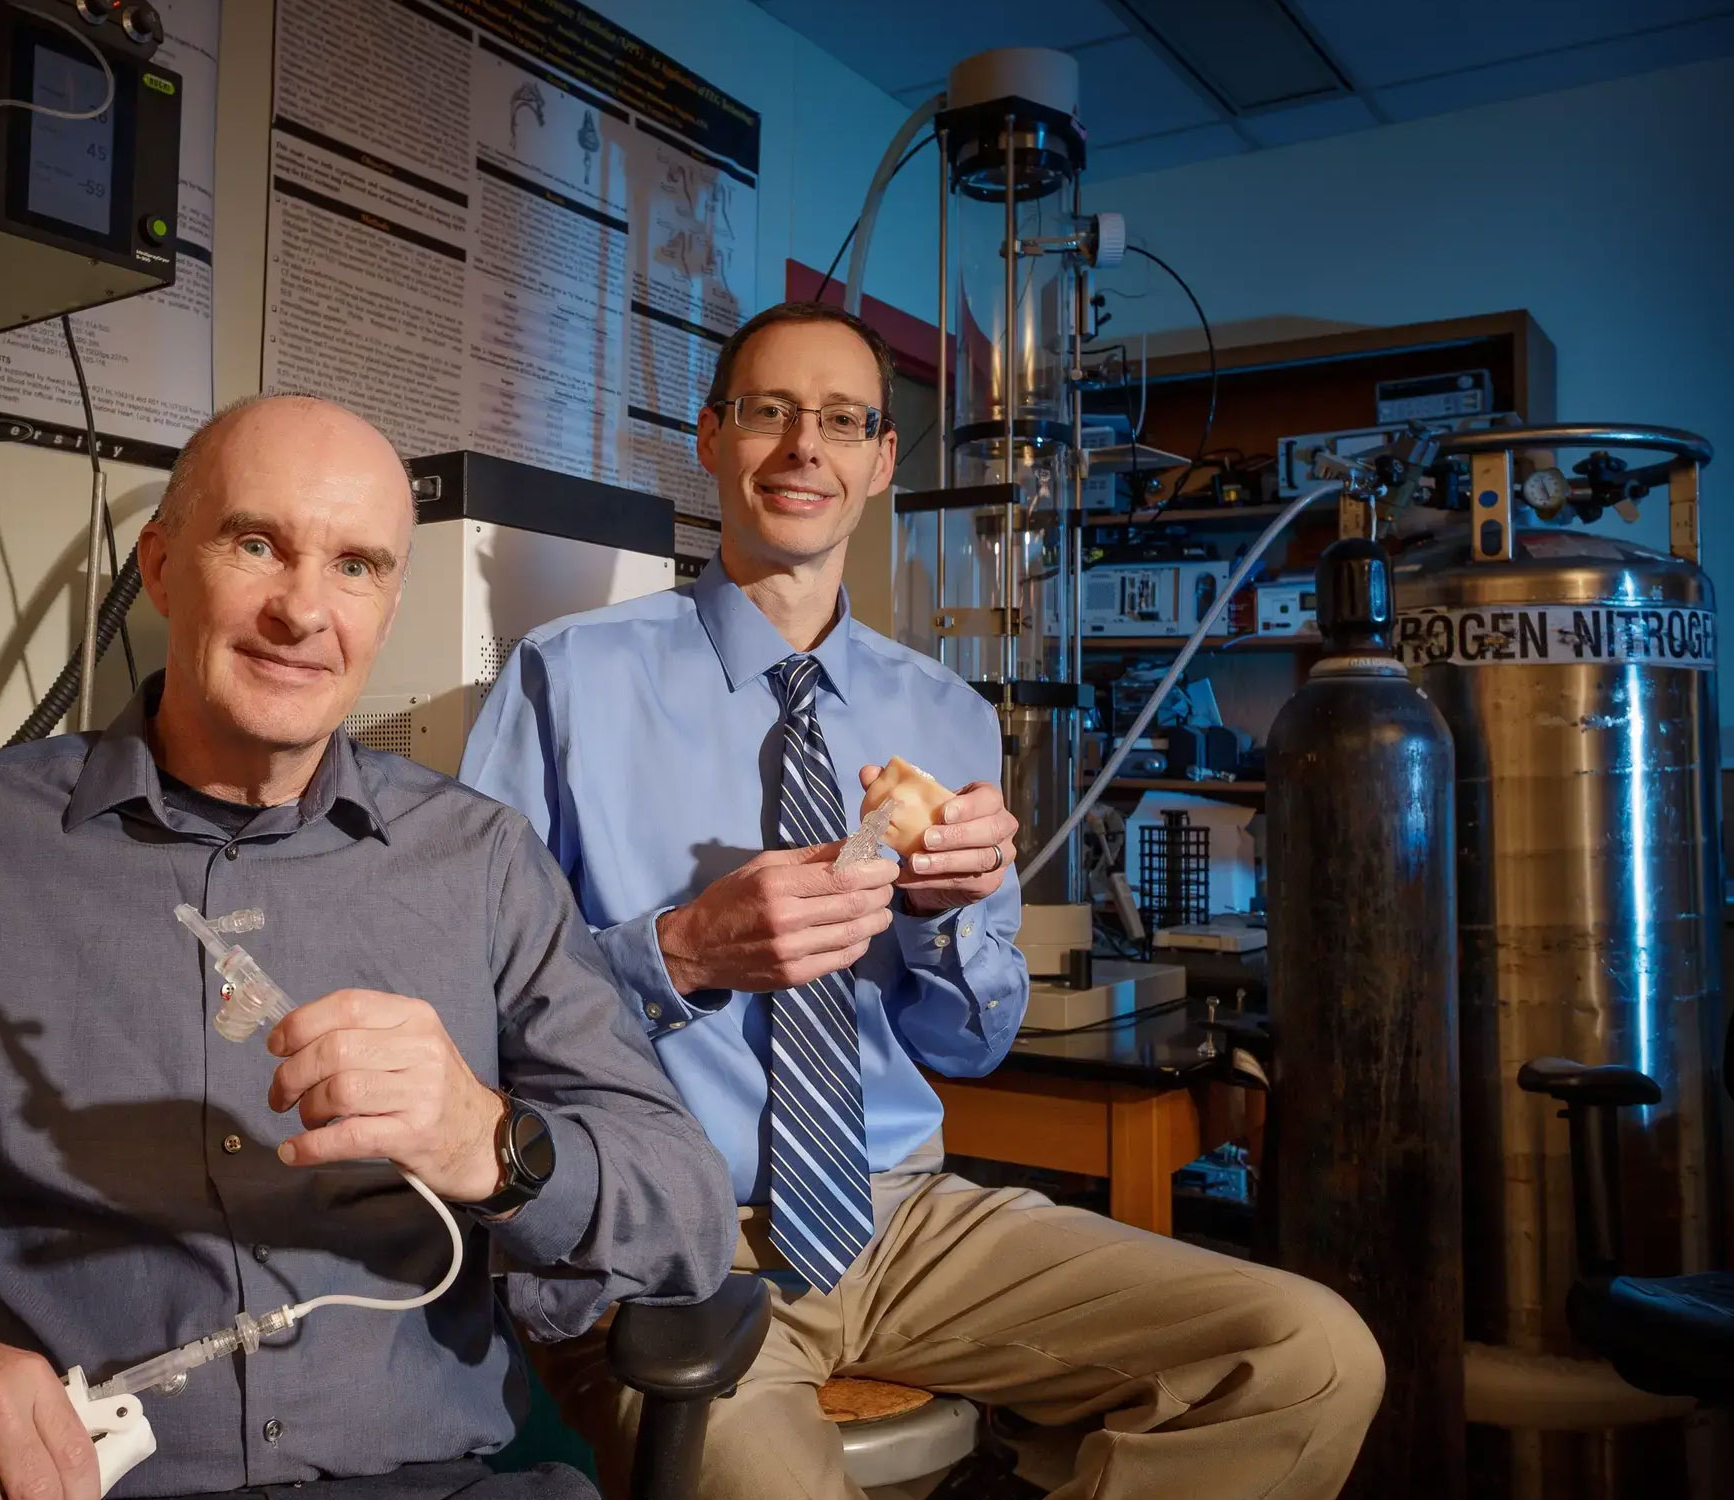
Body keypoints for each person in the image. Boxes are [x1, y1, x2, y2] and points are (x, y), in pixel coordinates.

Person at [0, 395, 735, 1500]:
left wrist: (490, 1141)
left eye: (355, 567)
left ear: (388, 608)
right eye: (257, 544)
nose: (304, 611)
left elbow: (681, 1205)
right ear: (160, 569)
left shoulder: (481, 860)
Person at [461, 303, 1385, 1500]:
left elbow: (972, 1040)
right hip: (667, 1241)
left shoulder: (944, 713)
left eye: (842, 421)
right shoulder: (565, 677)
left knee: (1308, 1355)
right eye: (768, 412)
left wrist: (949, 917)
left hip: (902, 1218)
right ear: (709, 436)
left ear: (881, 463)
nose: (804, 447)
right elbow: (474, 1006)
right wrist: (680, 952)